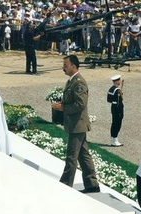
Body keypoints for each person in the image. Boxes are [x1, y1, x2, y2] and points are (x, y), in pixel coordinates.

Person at [51, 55, 100, 193]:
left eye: (65, 65)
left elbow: (80, 104)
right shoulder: (71, 81)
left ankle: (65, 186)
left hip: (77, 125)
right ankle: (92, 185)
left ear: (74, 66)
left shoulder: (79, 83)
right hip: (75, 124)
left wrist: (63, 108)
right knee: (84, 156)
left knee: (71, 157)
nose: (63, 68)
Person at [107, 74, 124, 147]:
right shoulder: (117, 91)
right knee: (117, 124)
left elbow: (108, 100)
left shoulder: (111, 89)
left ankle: (112, 139)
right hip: (118, 109)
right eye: (119, 80)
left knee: (114, 123)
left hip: (113, 107)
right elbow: (119, 101)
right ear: (117, 81)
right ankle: (115, 139)